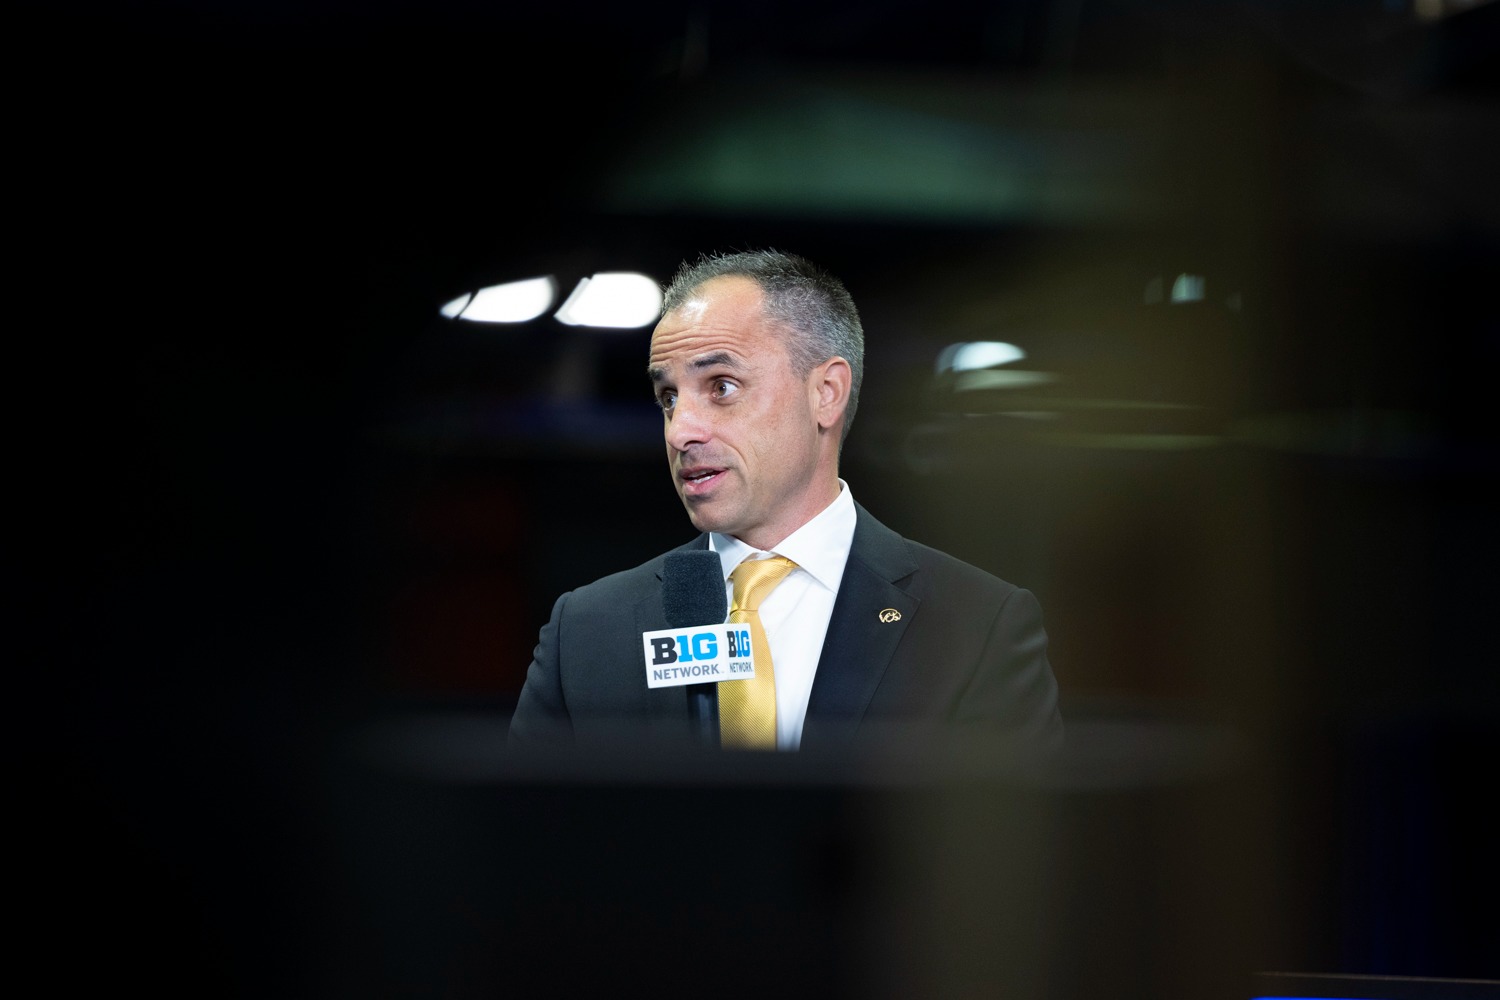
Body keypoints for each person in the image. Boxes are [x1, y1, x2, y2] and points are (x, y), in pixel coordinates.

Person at [508, 249, 1062, 756]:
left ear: (826, 393)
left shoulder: (976, 626)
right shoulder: (586, 633)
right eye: (668, 398)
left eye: (721, 386)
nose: (680, 431)